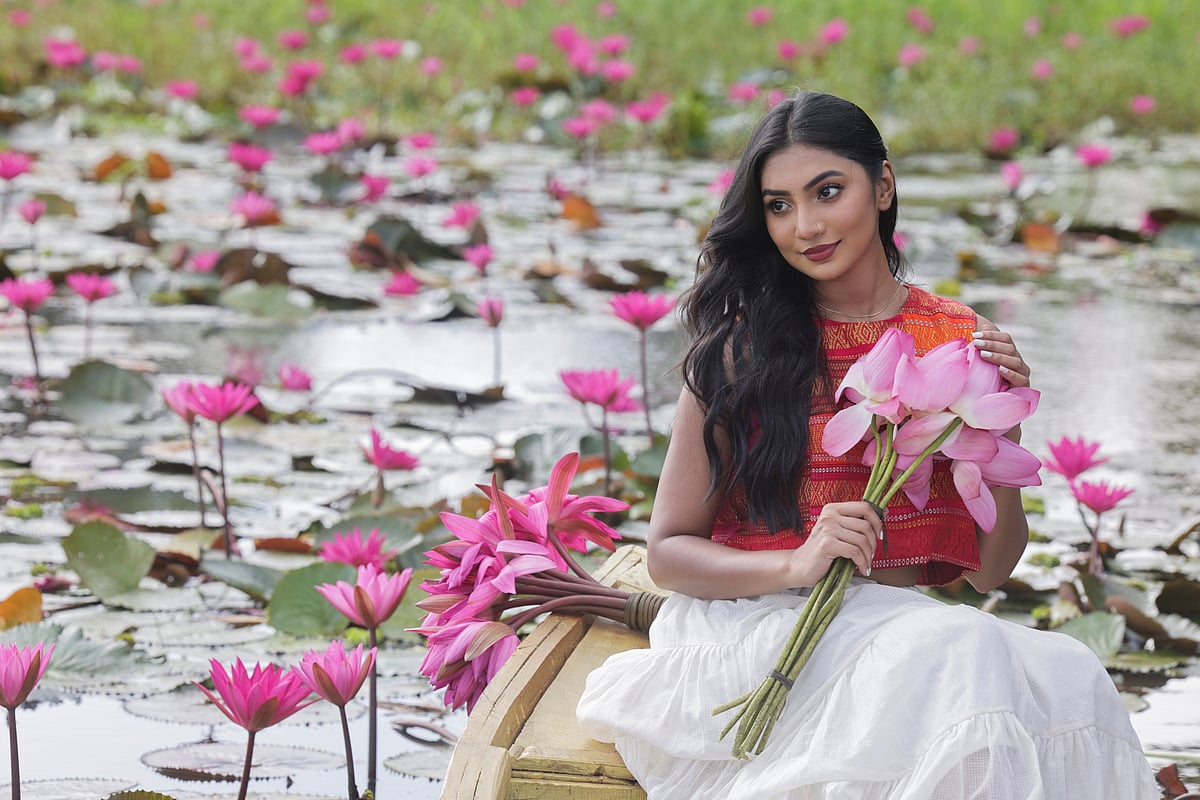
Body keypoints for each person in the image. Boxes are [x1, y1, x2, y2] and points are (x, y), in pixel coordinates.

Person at [576, 91, 1158, 799]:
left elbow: (989, 573)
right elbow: (668, 552)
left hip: (905, 636)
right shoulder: (740, 352)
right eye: (779, 205)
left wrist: (1001, 430)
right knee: (962, 650)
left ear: (882, 186)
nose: (806, 227)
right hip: (760, 629)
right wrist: (797, 562)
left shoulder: (958, 341)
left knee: (1073, 673)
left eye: (828, 192)